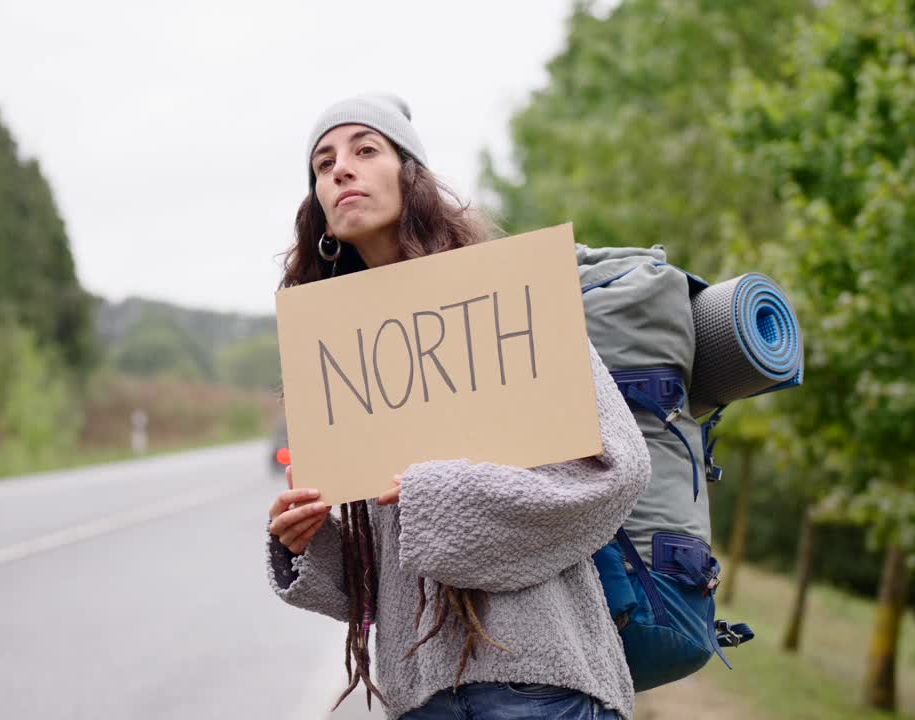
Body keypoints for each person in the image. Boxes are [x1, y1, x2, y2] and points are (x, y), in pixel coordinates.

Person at [265, 93, 652, 720]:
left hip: (544, 684)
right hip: (421, 697)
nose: (340, 169)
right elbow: (390, 571)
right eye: (323, 162)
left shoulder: (507, 293)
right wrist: (310, 542)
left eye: (366, 149)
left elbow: (619, 469)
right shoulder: (341, 341)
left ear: (410, 174)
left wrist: (441, 494)